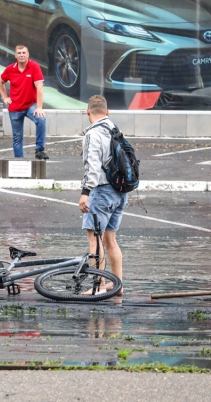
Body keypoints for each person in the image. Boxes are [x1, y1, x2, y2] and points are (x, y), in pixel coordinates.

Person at [79, 95, 125, 296]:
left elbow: (92, 166)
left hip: (102, 192)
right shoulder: (115, 130)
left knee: (95, 239)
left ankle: (98, 285)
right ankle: (117, 285)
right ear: (107, 112)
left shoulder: (93, 134)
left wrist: (85, 193)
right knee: (110, 239)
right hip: (120, 191)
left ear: (88, 112)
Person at [0, 44, 49, 159]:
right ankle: (19, 163)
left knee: (41, 119)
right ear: (15, 55)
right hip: (15, 108)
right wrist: (4, 97)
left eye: (24, 53)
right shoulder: (10, 69)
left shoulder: (34, 66)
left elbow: (40, 87)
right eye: (19, 53)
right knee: (17, 138)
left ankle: (39, 150)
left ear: (28, 54)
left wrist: (39, 107)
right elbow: (0, 81)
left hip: (31, 105)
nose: (21, 55)